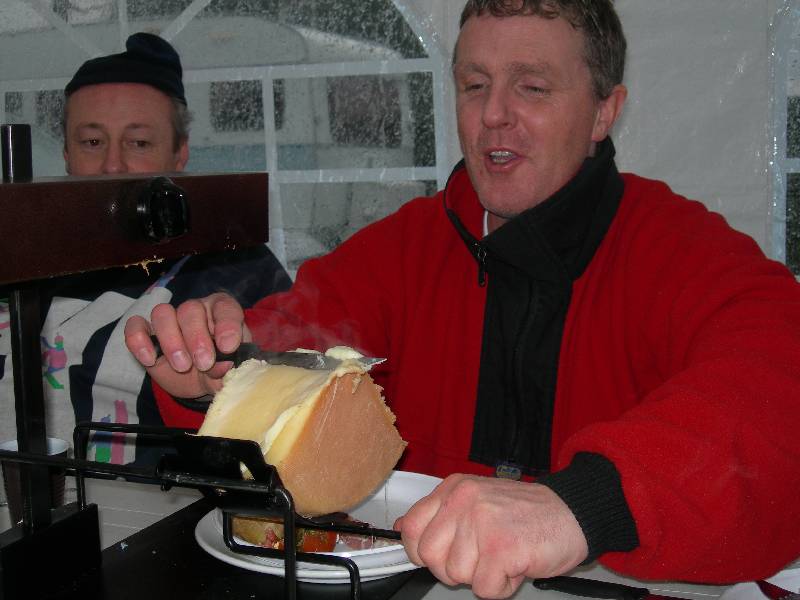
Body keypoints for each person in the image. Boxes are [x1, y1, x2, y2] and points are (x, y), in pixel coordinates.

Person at [125, 2, 800, 598]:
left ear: (604, 110)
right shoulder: (404, 249)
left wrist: (583, 505)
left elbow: (778, 381)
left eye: (532, 87)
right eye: (474, 85)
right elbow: (298, 341)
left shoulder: (677, 249)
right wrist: (214, 372)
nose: (493, 114)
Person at [0, 32, 291, 466]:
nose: (113, 165)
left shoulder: (236, 263)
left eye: (138, 143)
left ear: (179, 154)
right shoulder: (23, 250)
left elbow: (278, 419)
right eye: (92, 142)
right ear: (65, 153)